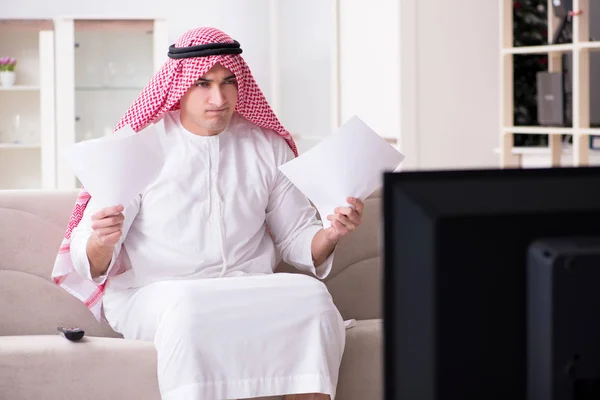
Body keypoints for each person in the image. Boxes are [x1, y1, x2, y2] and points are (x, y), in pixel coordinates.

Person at [51, 27, 364, 400]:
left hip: (247, 287)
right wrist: (103, 239)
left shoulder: (266, 146)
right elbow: (93, 260)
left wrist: (330, 233)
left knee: (313, 298)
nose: (218, 97)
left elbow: (296, 236)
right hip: (158, 294)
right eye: (203, 83)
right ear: (179, 86)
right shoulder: (140, 146)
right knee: (190, 309)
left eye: (228, 82)